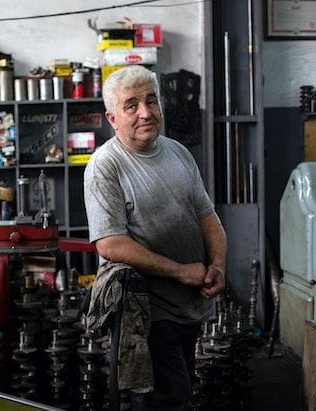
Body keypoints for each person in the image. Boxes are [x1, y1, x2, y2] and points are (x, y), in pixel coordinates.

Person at [84, 65, 227, 410]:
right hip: (148, 310)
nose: (146, 112)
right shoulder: (106, 165)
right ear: (112, 118)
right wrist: (180, 271)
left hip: (190, 303)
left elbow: (207, 217)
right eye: (131, 105)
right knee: (170, 398)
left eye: (152, 101)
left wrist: (217, 265)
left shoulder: (178, 152)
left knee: (182, 387)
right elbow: (110, 243)